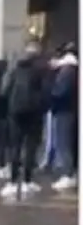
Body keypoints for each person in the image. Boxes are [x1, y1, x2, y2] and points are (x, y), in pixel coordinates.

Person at [0, 39, 51, 199]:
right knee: (31, 146)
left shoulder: (16, 68)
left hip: (15, 112)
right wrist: (43, 108)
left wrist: (8, 107)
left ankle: (12, 181)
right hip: (34, 112)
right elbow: (46, 91)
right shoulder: (42, 69)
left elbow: (5, 90)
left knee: (15, 146)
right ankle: (28, 180)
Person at [48, 43, 78, 192]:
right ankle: (72, 173)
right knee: (71, 143)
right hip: (73, 110)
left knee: (64, 142)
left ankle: (68, 174)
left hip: (64, 111)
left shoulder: (66, 71)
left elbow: (59, 92)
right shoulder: (75, 69)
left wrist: (50, 95)